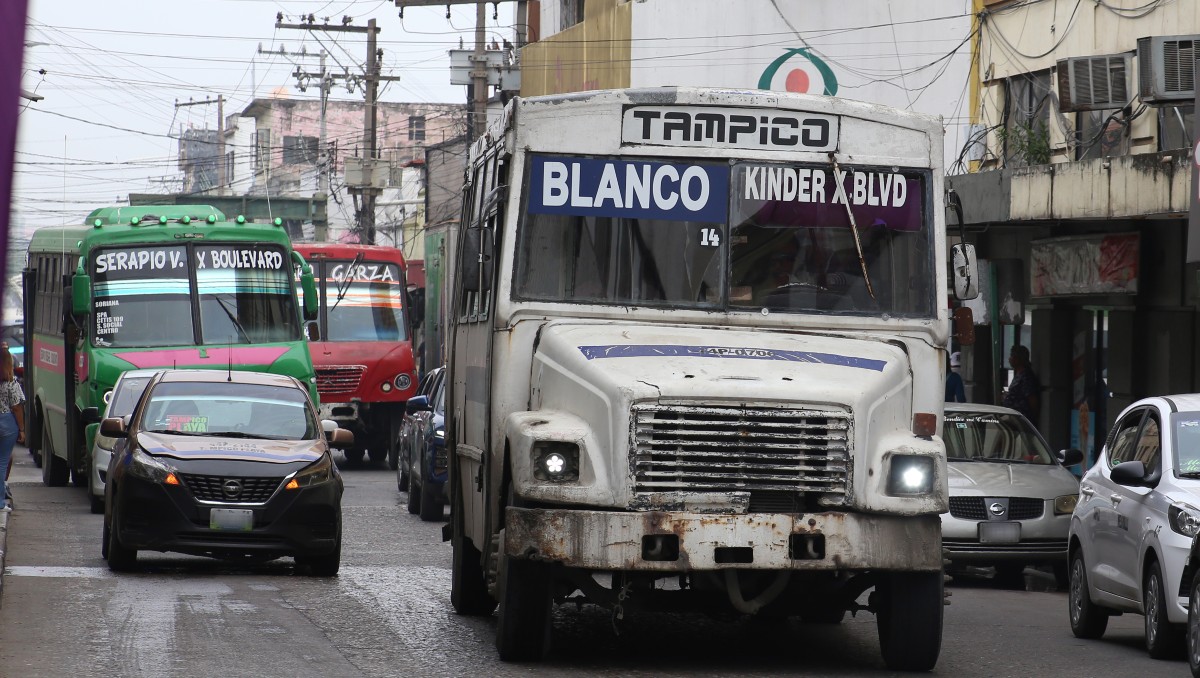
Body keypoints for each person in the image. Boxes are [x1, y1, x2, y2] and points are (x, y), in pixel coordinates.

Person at [0, 343, 25, 511]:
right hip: (6, 422)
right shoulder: (11, 382)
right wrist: (22, 429)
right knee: (2, 463)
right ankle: (0, 502)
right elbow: (16, 406)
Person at [1002, 344, 1041, 425]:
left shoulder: (1026, 377)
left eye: (1012, 356)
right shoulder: (1018, 375)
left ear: (1018, 359)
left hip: (1021, 420)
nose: (1010, 359)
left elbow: (1033, 401)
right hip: (1012, 419)